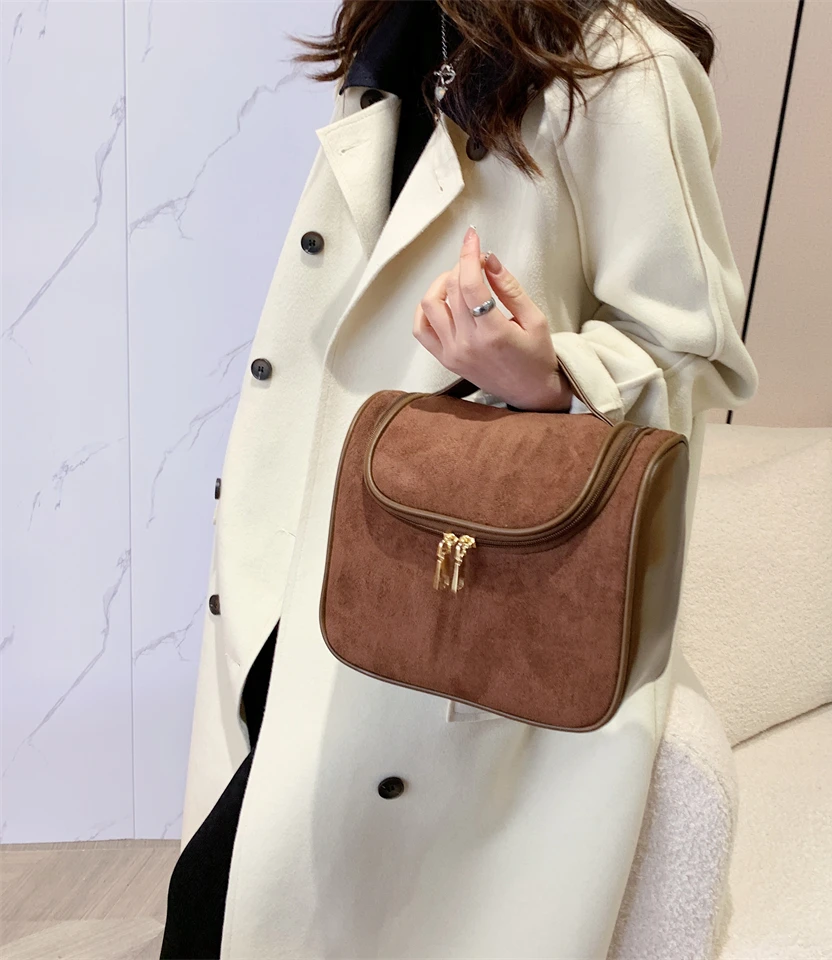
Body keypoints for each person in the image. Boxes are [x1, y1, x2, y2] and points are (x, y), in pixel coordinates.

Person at [161, 1, 760, 957]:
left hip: (450, 579)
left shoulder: (621, 68)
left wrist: (550, 376)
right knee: (227, 902)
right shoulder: (398, 35)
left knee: (261, 907)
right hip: (302, 557)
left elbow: (696, 352)